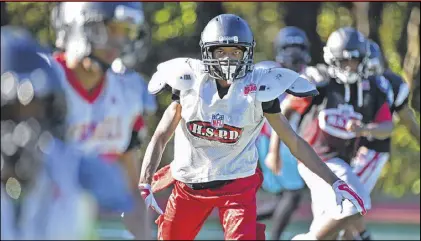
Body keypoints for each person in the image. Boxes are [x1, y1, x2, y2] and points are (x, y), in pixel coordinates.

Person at [137, 14, 367, 240]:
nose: (228, 59)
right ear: (207, 52)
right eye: (221, 51)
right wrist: (145, 179)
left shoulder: (259, 87)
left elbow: (294, 142)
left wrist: (334, 182)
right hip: (190, 183)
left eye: (235, 52)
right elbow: (161, 135)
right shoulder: (188, 81)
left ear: (247, 53)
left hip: (237, 185)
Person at [1, 25, 133, 240]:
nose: (23, 126)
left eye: (38, 108)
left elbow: (116, 191)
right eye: (9, 112)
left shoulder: (70, 166)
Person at [270, 27, 393, 240]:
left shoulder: (372, 87)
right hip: (315, 158)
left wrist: (365, 129)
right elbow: (284, 110)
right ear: (331, 60)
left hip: (342, 161)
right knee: (355, 201)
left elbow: (387, 127)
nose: (349, 67)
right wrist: (275, 152)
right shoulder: (320, 82)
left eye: (354, 61)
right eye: (343, 61)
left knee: (331, 221)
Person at [49, 2, 153, 239]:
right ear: (77, 23)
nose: (118, 41)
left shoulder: (127, 93)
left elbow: (132, 189)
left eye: (125, 31)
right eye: (109, 28)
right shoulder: (40, 84)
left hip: (75, 225)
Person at [341, 40, 420, 240]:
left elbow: (404, 120)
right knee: (341, 207)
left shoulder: (386, 86)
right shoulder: (343, 82)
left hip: (372, 148)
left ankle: (362, 236)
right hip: (347, 150)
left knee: (346, 201)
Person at [255, 26, 311, 240]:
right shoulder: (267, 71)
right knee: (293, 193)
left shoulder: (308, 75)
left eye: (298, 48)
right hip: (273, 138)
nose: (295, 53)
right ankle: (274, 237)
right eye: (290, 47)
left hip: (282, 138)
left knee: (284, 197)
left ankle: (242, 219)